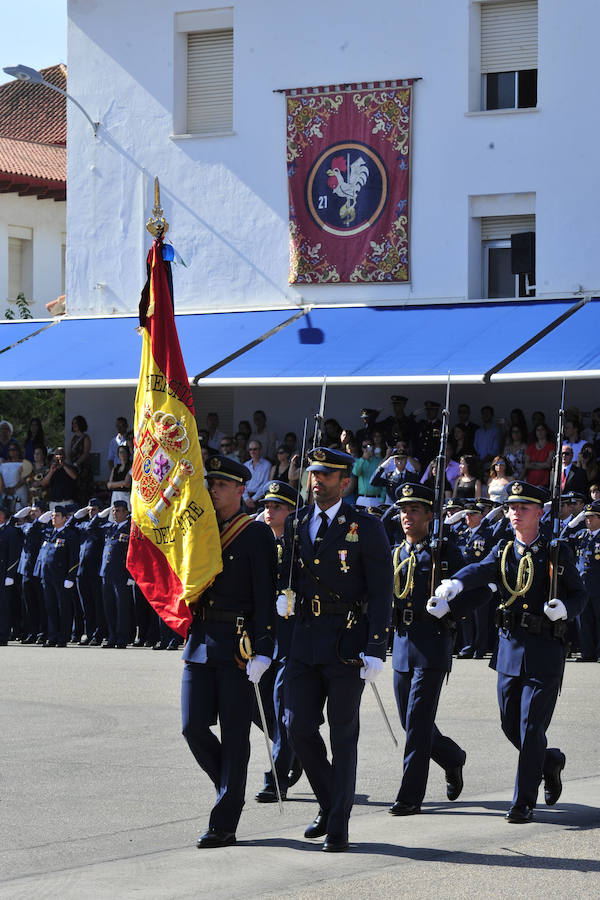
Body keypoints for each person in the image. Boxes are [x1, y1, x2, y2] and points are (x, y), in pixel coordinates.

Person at [432, 480, 587, 823]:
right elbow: (481, 569)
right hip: (510, 648)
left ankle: (523, 802)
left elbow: (580, 595)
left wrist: (565, 609)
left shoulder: (556, 550)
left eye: (523, 508)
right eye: (511, 508)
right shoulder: (503, 548)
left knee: (531, 728)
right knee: (509, 725)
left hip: (545, 648)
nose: (515, 513)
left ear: (540, 512)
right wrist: (456, 583)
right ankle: (549, 761)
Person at [279, 447, 393, 852]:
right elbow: (287, 577)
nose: (316, 480)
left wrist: (377, 645)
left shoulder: (365, 525)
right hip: (305, 640)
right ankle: (330, 803)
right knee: (296, 727)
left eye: (325, 475)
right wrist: (282, 600)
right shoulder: (296, 522)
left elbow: (382, 591)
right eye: (312, 473)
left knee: (343, 735)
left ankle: (339, 825)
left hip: (347, 642)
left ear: (345, 482)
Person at [182, 455, 276, 849]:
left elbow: (265, 598)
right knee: (192, 726)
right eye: (212, 483)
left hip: (238, 645)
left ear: (241, 489)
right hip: (200, 639)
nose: (214, 489)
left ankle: (224, 821)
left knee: (236, 736)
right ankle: (230, 786)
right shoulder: (199, 526)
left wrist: (264, 650)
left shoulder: (255, 535)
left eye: (222, 485)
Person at [389, 483, 479, 815]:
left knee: (417, 721)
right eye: (403, 510)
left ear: (430, 515)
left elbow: (480, 590)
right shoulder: (397, 552)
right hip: (401, 644)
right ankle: (452, 757)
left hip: (432, 644)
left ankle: (410, 795)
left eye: (414, 510)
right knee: (409, 721)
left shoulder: (445, 552)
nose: (406, 517)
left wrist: (451, 609)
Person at [253, 480, 300, 803]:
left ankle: (276, 778)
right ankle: (294, 749)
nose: (269, 511)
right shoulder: (258, 542)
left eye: (277, 506)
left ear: (292, 512)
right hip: (262, 635)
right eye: (267, 506)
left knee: (283, 705)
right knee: (253, 700)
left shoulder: (301, 544)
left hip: (292, 636)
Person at [38, 504, 79, 647]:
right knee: (51, 607)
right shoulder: (49, 533)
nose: (54, 518)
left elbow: (74, 558)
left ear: (65, 518)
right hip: (48, 577)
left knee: (63, 608)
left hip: (62, 578)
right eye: (53, 516)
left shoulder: (69, 535)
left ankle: (63, 637)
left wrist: (70, 577)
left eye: (57, 516)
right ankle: (52, 636)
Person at [99, 500, 134, 649]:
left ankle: (122, 637)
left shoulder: (130, 528)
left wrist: (131, 575)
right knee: (109, 607)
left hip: (121, 574)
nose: (115, 513)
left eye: (118, 510)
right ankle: (112, 636)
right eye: (113, 511)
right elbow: (91, 528)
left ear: (126, 512)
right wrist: (102, 514)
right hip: (107, 573)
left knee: (122, 608)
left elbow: (133, 553)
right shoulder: (110, 527)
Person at [574, 499, 600, 662]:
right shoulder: (580, 536)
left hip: (598, 587)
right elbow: (561, 541)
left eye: (592, 517)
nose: (588, 520)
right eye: (586, 517)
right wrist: (571, 525)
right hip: (582, 587)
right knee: (584, 622)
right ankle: (587, 652)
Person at [351, 439, 386, 507]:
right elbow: (356, 473)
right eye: (364, 446)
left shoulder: (379, 461)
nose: (367, 448)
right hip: (362, 498)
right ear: (362, 449)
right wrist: (363, 459)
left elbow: (383, 481)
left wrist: (382, 499)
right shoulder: (359, 461)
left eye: (369, 446)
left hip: (377, 499)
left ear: (374, 447)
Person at [68, 415, 94, 504]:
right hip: (74, 468)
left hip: (83, 468)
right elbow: (70, 452)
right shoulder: (74, 438)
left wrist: (77, 463)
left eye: (76, 423)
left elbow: (86, 453)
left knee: (83, 491)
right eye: (73, 423)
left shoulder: (86, 437)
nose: (74, 425)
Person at [243, 439, 272, 511]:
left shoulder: (267, 465)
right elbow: (242, 483)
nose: (252, 452)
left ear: (260, 450)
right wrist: (246, 499)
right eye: (250, 449)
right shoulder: (245, 465)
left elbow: (265, 484)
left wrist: (253, 499)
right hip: (245, 499)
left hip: (259, 499)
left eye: (255, 449)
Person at [473, 405, 501, 470]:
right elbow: (476, 447)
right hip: (479, 465)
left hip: (492, 464)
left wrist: (482, 462)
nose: (485, 415)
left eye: (487, 413)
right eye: (483, 413)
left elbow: (495, 449)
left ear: (492, 415)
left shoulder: (496, 430)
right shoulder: (478, 431)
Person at [107, 444, 132, 509]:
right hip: (115, 496)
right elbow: (109, 485)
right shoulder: (115, 468)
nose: (122, 454)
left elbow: (127, 483)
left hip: (126, 495)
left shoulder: (130, 466)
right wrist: (121, 484)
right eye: (120, 452)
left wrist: (114, 484)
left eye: (124, 452)